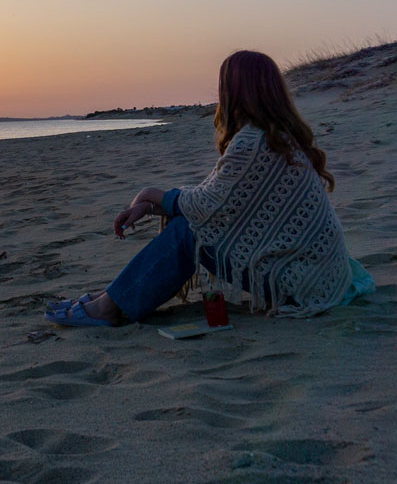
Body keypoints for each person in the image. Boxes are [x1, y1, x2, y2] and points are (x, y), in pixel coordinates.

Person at [48, 50, 371, 327]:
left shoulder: (255, 142)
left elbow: (207, 205)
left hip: (303, 285)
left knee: (189, 230)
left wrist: (149, 194)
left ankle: (108, 307)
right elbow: (221, 201)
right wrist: (153, 204)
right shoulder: (279, 137)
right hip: (321, 277)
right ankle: (111, 296)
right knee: (189, 220)